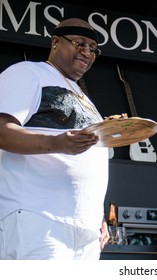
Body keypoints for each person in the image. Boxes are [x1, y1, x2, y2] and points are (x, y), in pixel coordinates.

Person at [0, 18, 110, 260]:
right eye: (80, 44)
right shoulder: (29, 72)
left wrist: (98, 215)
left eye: (93, 49)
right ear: (55, 42)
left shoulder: (83, 96)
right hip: (38, 215)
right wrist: (56, 143)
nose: (87, 53)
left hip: (86, 229)